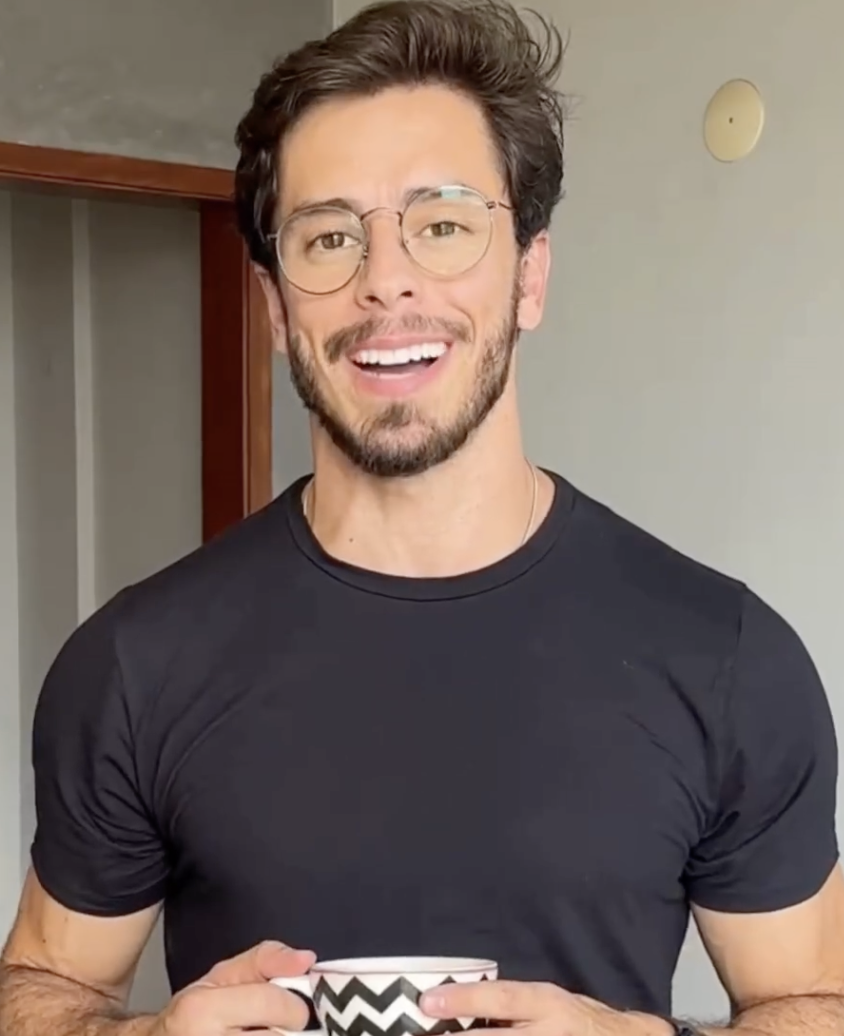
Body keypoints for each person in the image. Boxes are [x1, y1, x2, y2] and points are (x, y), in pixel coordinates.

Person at [1, 1, 843, 1035]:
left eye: (442, 224)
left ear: (529, 274)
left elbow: (815, 1001)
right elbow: (43, 989)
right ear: (276, 307)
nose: (386, 281)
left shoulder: (727, 658)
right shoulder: (135, 665)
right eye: (328, 237)